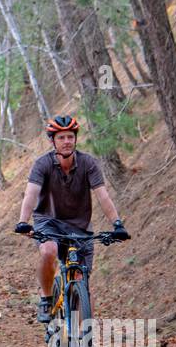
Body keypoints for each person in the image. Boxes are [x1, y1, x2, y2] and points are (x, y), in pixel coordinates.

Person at [14, 116, 130, 332]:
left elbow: (103, 196)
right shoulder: (43, 164)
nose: (67, 141)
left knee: (82, 284)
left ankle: (85, 342)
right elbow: (31, 194)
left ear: (75, 139)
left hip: (80, 228)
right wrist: (23, 221)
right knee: (49, 251)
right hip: (48, 222)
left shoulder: (88, 164)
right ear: (53, 141)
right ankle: (47, 299)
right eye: (61, 137)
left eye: (70, 136)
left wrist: (117, 224)